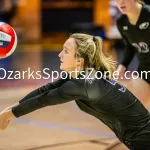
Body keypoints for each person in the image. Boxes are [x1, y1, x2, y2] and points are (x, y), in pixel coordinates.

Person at [0, 33, 150, 150]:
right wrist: (11, 109)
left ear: (79, 61)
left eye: (65, 51)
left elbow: (41, 100)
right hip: (136, 136)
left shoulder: (80, 84)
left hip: (143, 139)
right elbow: (45, 89)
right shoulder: (81, 75)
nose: (59, 55)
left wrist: (7, 116)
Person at [114, 0, 150, 107]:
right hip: (144, 69)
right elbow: (129, 47)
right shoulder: (121, 22)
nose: (121, 3)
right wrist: (122, 67)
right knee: (133, 108)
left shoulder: (148, 13)